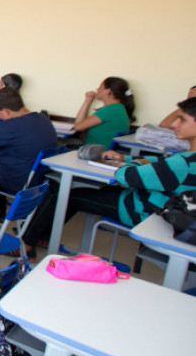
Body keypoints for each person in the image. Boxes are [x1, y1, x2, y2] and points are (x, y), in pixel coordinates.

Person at [18, 96, 196, 259]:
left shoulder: (182, 163)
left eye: (183, 119)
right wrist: (128, 158)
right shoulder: (187, 158)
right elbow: (162, 163)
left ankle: (27, 244)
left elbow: (126, 176)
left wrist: (131, 163)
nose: (174, 124)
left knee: (59, 191)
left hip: (141, 208)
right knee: (77, 191)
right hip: (170, 210)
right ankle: (45, 236)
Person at [0, 86, 57, 195]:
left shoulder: (12, 125)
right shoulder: (43, 119)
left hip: (13, 181)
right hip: (38, 181)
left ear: (6, 112)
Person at [70, 76, 136, 147]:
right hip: (103, 152)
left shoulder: (109, 110)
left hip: (95, 154)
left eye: (101, 87)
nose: (97, 89)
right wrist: (88, 99)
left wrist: (87, 101)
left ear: (108, 91)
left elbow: (78, 127)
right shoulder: (119, 108)